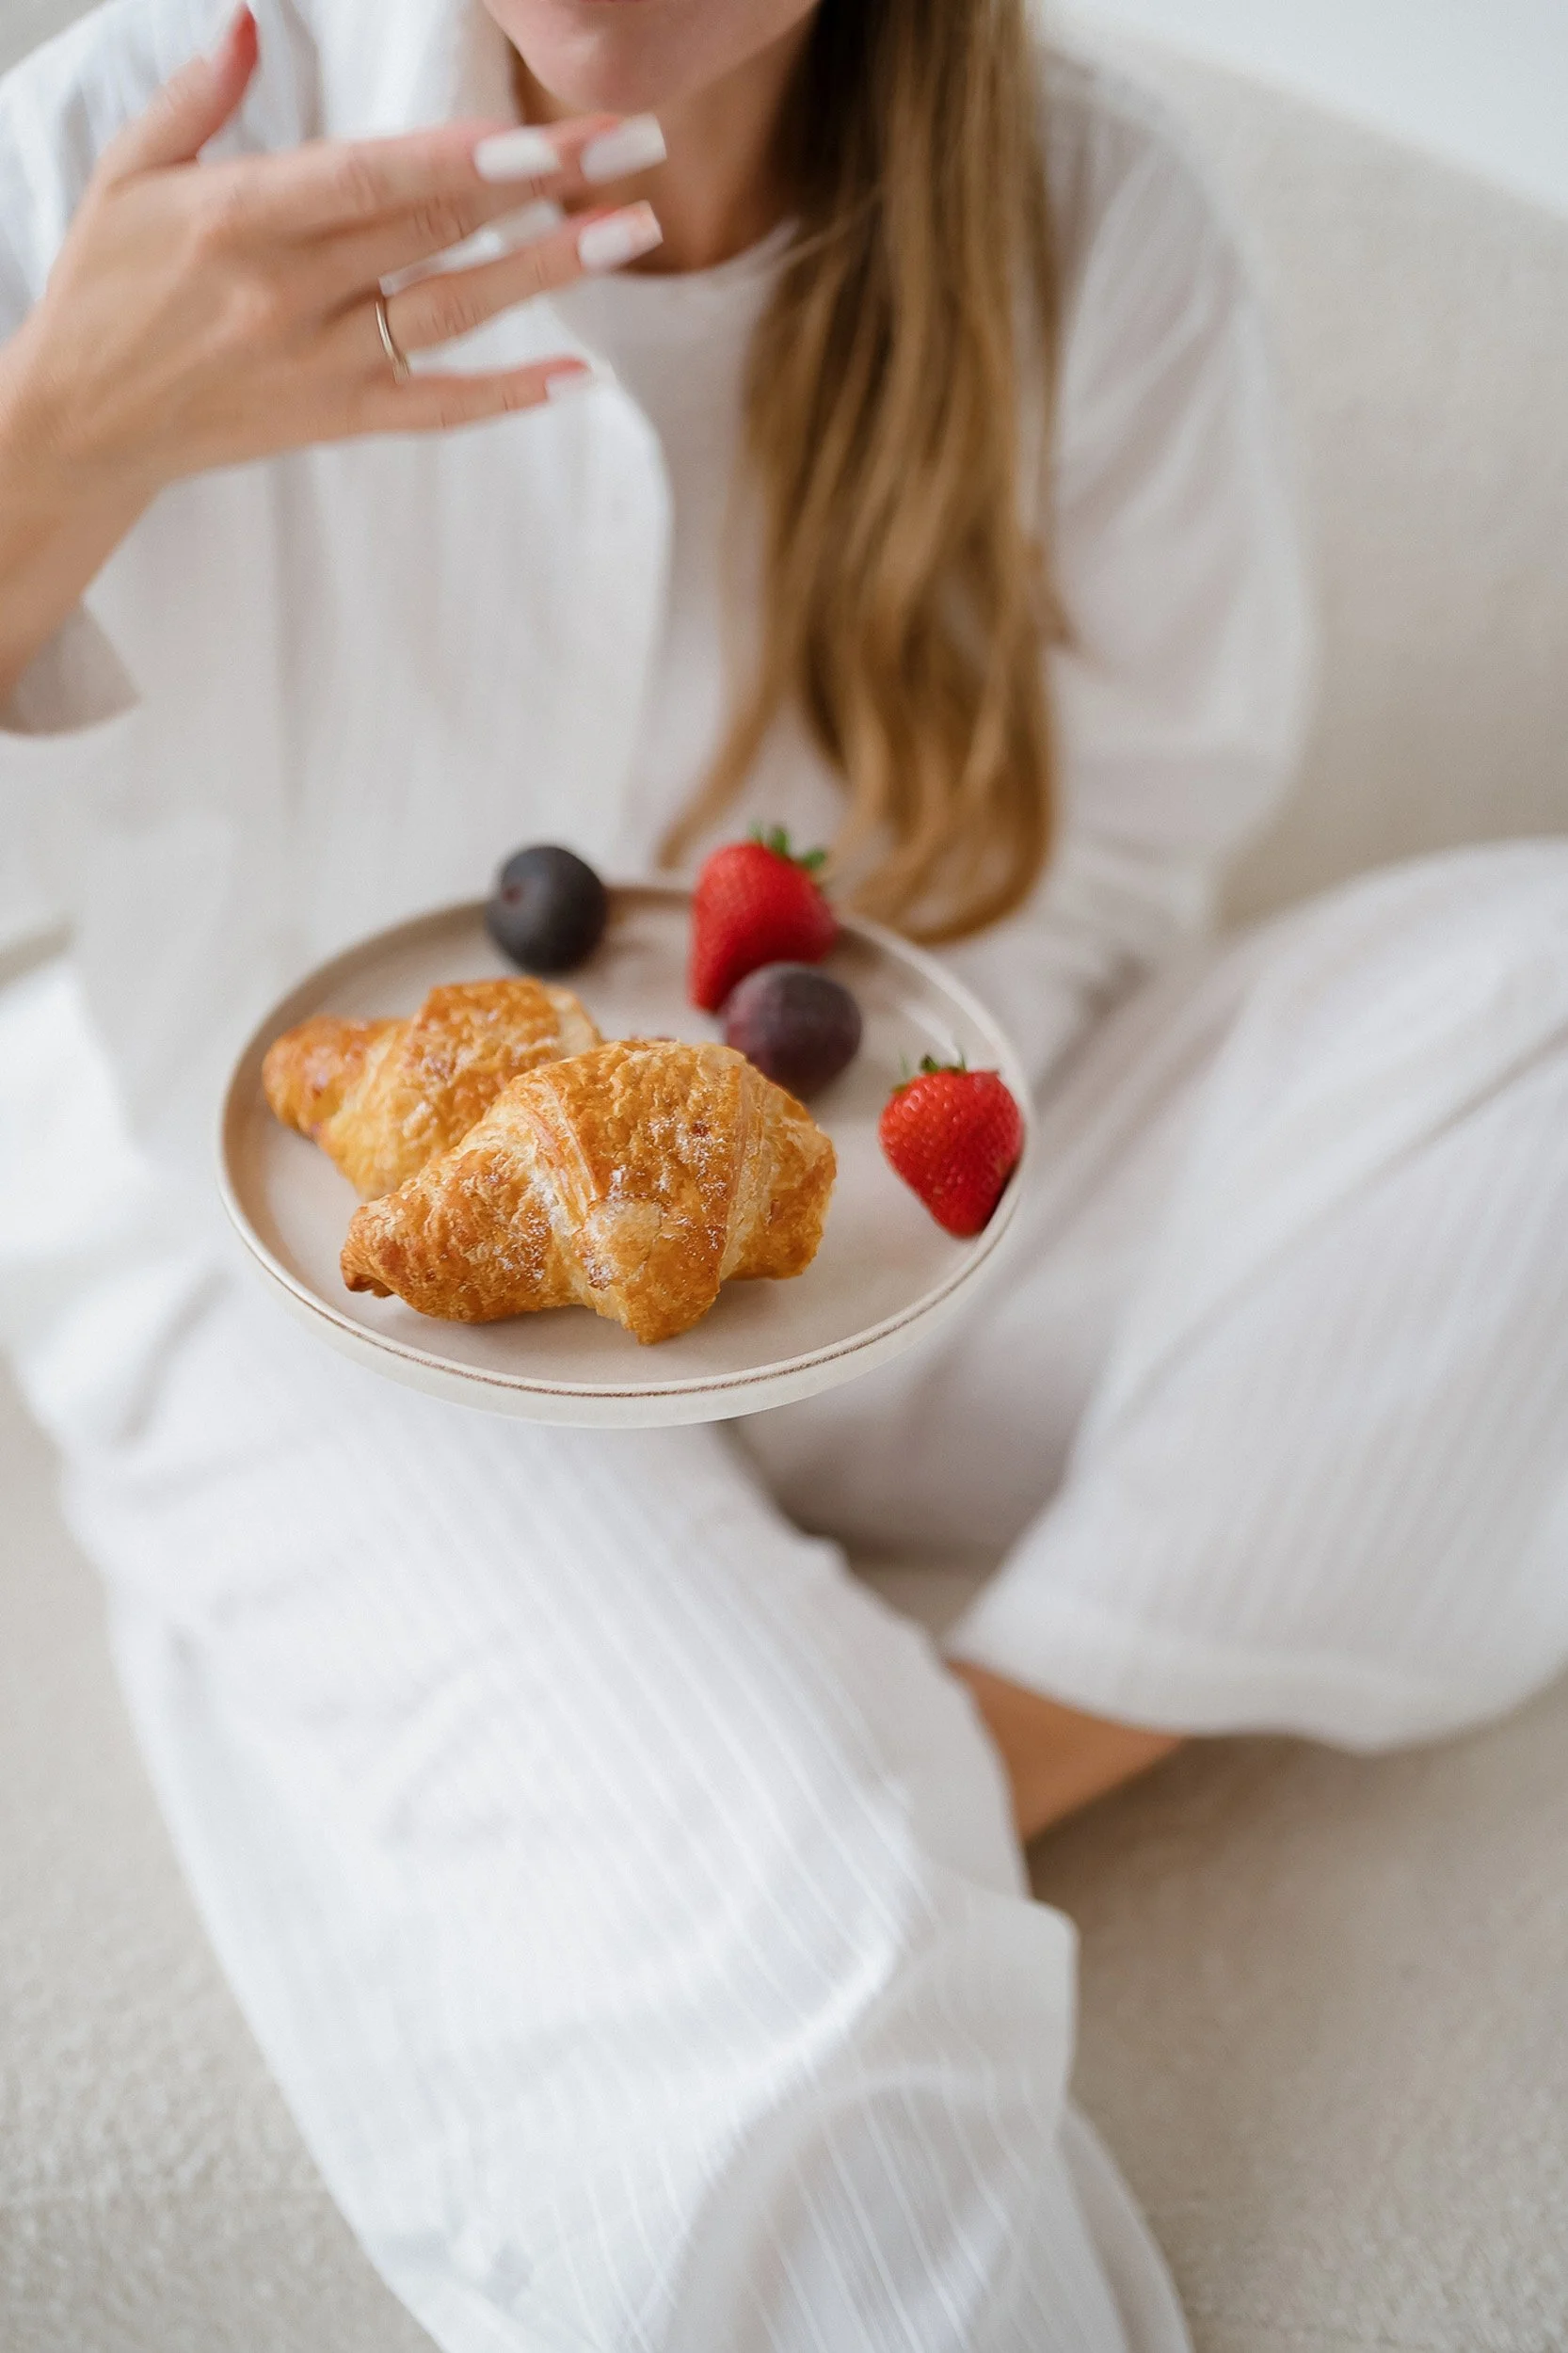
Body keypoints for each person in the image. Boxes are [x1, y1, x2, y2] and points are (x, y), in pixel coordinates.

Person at [2, 0, 1566, 2345]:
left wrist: (767, 1171)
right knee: (820, 1986)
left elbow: (1137, 826)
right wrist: (53, 451)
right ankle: (811, 1808)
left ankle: (984, 1739)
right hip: (296, 1268)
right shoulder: (135, 152)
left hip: (883, 1194)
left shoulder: (1090, 219)